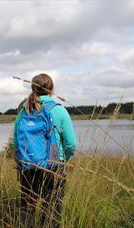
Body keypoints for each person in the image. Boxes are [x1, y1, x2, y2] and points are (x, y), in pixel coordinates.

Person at [13, 73, 78, 228]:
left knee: (27, 208)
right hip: (54, 166)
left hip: (28, 166)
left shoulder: (24, 110)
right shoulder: (59, 110)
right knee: (52, 209)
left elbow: (16, 141)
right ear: (52, 89)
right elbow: (71, 144)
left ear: (33, 88)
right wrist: (62, 160)